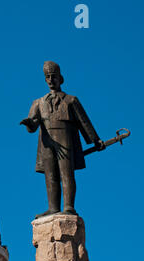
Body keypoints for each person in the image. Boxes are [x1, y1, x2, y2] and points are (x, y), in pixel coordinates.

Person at [20, 61, 104, 218]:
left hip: (65, 140)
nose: (51, 80)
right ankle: (53, 207)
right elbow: (33, 125)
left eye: (53, 76)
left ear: (60, 78)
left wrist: (95, 140)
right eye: (48, 77)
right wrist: (28, 123)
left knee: (66, 173)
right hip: (47, 142)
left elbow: (84, 122)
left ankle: (68, 206)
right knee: (50, 175)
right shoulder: (38, 102)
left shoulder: (70, 100)